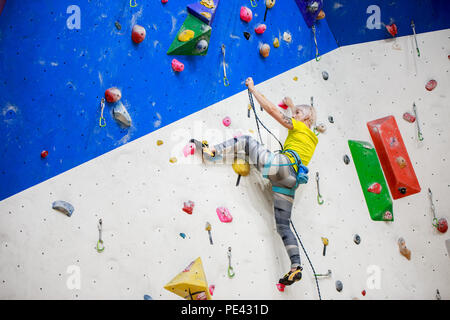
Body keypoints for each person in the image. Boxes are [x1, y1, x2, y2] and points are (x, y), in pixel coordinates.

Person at [191, 77, 318, 286]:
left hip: (281, 165)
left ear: (304, 118)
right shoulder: (312, 137)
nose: (292, 115)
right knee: (283, 226)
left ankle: (211, 152)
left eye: (296, 114)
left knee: (246, 141)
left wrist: (253, 89)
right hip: (290, 180)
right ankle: (295, 267)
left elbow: (272, 111)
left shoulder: (299, 126)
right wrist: (293, 104)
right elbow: (304, 116)